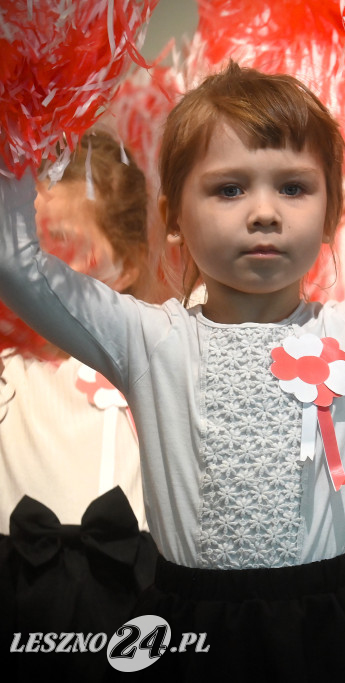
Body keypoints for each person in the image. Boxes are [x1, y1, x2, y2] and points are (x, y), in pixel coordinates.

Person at [0, 62, 345, 681]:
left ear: (330, 214)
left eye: (294, 188)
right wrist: (24, 108)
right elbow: (14, 259)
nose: (265, 213)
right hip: (187, 635)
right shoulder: (146, 340)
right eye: (229, 189)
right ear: (171, 217)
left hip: (333, 637)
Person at [0, 128, 157, 682]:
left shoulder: (147, 378)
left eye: (59, 246)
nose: (27, 276)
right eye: (16, 251)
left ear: (129, 262)